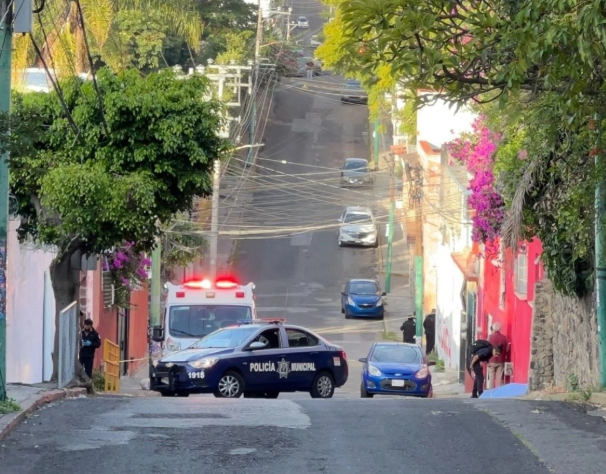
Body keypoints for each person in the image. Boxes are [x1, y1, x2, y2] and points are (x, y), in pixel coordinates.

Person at [487, 322, 508, 389]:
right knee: (499, 377)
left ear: (493, 328)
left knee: (491, 377)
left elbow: (487, 348)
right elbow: (507, 349)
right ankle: (498, 392)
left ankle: (491, 391)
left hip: (491, 360)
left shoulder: (490, 337)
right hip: (501, 360)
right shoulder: (504, 338)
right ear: (500, 329)